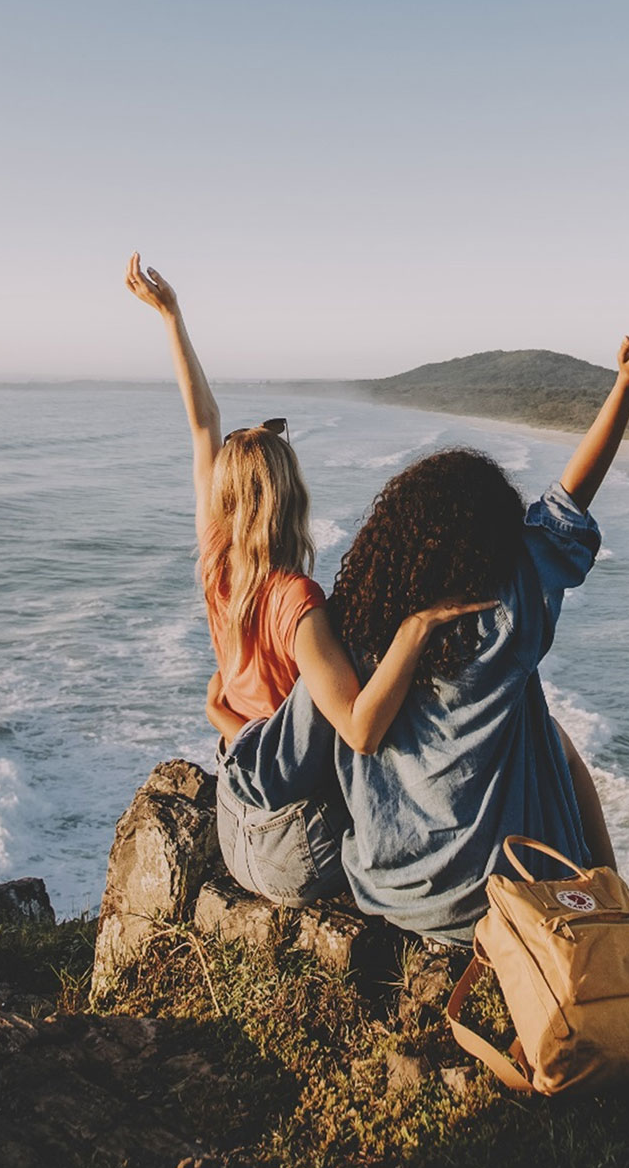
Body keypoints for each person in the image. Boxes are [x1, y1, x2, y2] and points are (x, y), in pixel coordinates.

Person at [124, 254, 492, 905]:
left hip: (235, 819)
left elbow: (202, 422)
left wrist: (170, 315)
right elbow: (358, 732)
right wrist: (416, 630)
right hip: (293, 849)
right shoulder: (297, 600)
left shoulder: (216, 558)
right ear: (288, 492)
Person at [330, 319, 629, 943]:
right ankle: (614, 896)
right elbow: (571, 499)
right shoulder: (510, 608)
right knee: (553, 739)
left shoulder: (363, 616)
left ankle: (612, 891)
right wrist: (625, 386)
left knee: (548, 731)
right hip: (495, 894)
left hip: (394, 885)